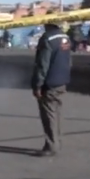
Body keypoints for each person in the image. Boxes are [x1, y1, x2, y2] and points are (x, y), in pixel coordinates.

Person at [31, 23, 72, 157]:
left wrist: (38, 84)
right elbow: (69, 60)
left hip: (50, 82)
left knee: (49, 114)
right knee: (57, 113)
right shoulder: (65, 37)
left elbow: (43, 63)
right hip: (62, 80)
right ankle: (57, 141)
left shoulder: (47, 38)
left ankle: (51, 145)